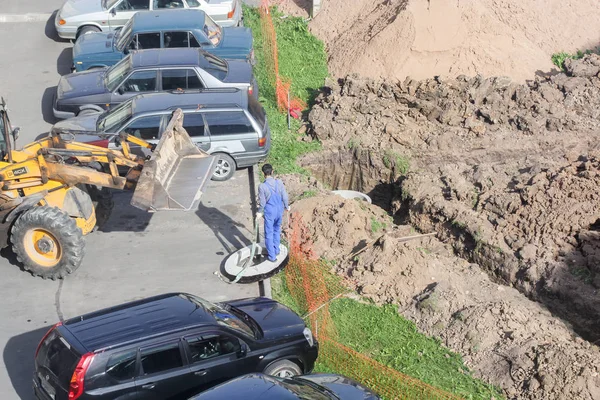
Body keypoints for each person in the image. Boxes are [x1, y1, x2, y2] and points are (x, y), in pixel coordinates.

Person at [256, 164, 289, 262]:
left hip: (270, 212)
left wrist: (259, 212)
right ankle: (277, 250)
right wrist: (287, 206)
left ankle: (272, 256)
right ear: (272, 171)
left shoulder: (262, 186)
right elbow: (284, 196)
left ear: (263, 173)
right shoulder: (279, 182)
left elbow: (262, 202)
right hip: (279, 210)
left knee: (269, 233)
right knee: (276, 230)